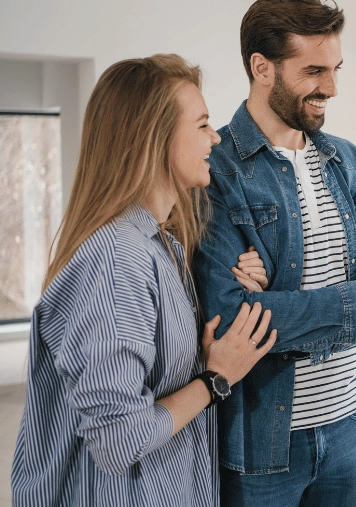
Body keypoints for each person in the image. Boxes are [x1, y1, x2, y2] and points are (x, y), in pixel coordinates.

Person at [11, 54, 277, 506]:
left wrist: (211, 339)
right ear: (155, 138)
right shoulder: (118, 260)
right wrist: (215, 379)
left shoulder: (160, 244)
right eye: (202, 125)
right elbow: (119, 439)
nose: (215, 137)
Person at [193, 0, 356, 507]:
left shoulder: (352, 161)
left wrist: (280, 305)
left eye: (336, 69)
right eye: (314, 71)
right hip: (263, 439)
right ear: (262, 68)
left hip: (355, 424)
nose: (331, 88)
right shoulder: (215, 170)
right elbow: (230, 319)